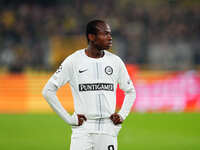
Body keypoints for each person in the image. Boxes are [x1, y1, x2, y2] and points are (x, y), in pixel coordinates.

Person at [42, 19, 136, 150]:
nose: (110, 38)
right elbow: (48, 91)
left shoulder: (115, 62)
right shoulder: (74, 60)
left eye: (110, 34)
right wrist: (69, 119)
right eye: (105, 34)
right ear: (92, 37)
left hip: (107, 129)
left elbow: (130, 91)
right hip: (82, 130)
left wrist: (122, 114)